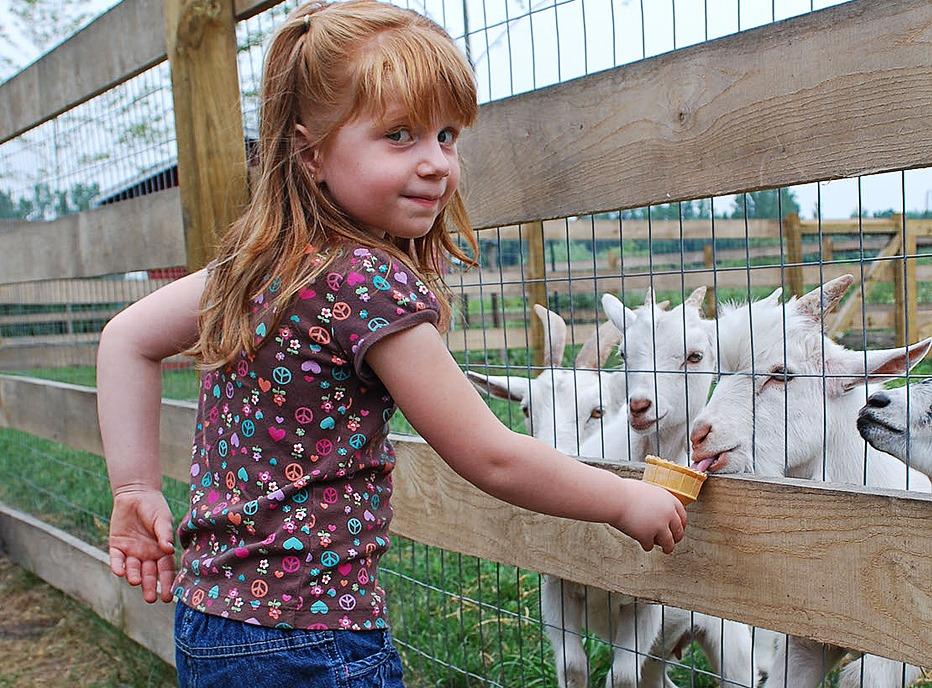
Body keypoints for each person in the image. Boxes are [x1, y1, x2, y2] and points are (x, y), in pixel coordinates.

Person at [97, 2, 687, 685]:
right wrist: (621, 500)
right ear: (311, 151)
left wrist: (135, 487)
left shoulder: (260, 262)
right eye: (399, 135)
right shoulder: (366, 281)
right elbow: (490, 454)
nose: (437, 162)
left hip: (211, 624)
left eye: (447, 134)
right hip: (311, 641)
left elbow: (125, 340)